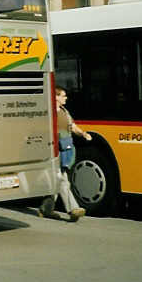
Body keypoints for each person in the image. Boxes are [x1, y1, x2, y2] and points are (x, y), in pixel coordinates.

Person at [40, 85, 92, 221]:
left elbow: (72, 126)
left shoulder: (64, 111)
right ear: (55, 97)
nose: (66, 98)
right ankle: (73, 209)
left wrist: (83, 134)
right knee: (62, 178)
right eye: (63, 95)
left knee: (57, 179)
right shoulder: (49, 112)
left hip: (65, 150)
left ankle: (46, 208)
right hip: (53, 150)